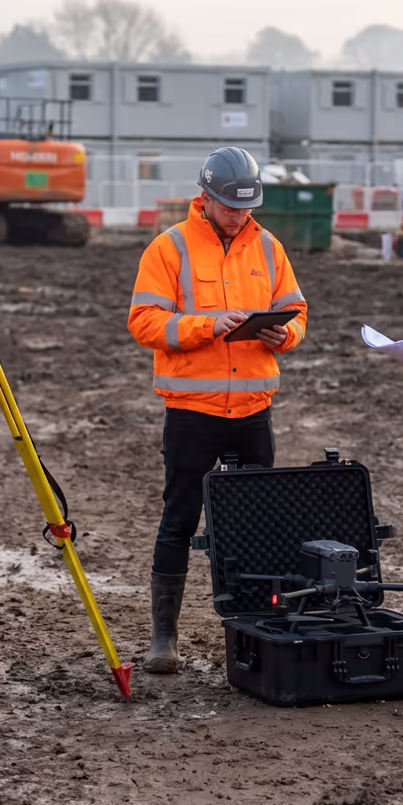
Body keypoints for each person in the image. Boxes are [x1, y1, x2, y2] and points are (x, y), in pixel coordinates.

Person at [128, 147, 307, 673]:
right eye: (230, 207)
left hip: (253, 409)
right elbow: (143, 321)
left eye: (247, 207)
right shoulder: (169, 248)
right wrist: (206, 326)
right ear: (205, 198)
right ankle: (164, 639)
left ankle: (256, 632)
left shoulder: (268, 247)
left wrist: (285, 334)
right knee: (179, 518)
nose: (239, 216)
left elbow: (297, 311)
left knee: (256, 525)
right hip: (193, 411)